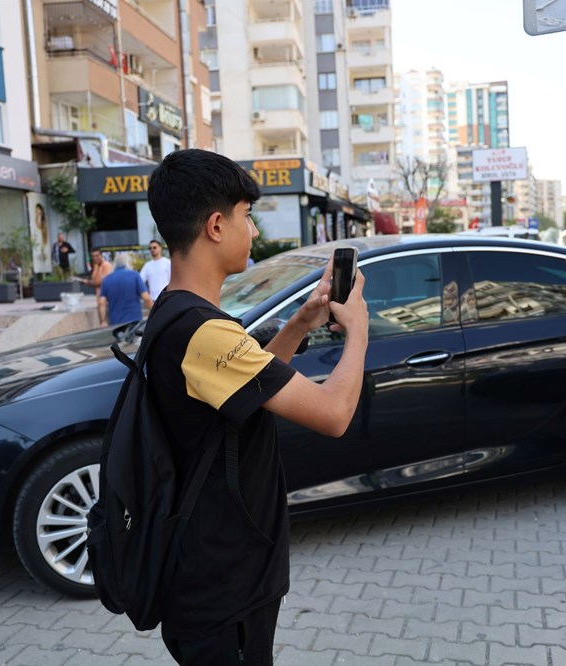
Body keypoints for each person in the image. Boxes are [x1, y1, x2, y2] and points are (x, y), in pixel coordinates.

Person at [145, 148, 368, 664]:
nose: (256, 233)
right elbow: (333, 414)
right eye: (249, 216)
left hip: (212, 572)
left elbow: (247, 383)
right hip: (224, 582)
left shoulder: (179, 313)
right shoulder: (203, 332)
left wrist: (300, 322)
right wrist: (357, 330)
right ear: (217, 225)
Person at [98, 253, 153, 326]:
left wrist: (103, 321)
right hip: (135, 322)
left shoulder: (107, 279)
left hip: (115, 324)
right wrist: (155, 314)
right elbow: (146, 298)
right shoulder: (134, 276)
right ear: (128, 262)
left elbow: (101, 303)